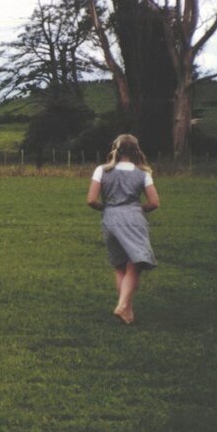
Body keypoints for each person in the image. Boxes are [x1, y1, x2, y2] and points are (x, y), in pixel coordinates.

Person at [86, 134, 159, 325]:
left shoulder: (101, 170)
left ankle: (127, 311)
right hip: (134, 219)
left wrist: (108, 208)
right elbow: (154, 203)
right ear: (136, 150)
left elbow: (91, 200)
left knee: (120, 266)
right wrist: (136, 209)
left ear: (116, 149)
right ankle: (122, 305)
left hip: (110, 219)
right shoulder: (143, 173)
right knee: (135, 264)